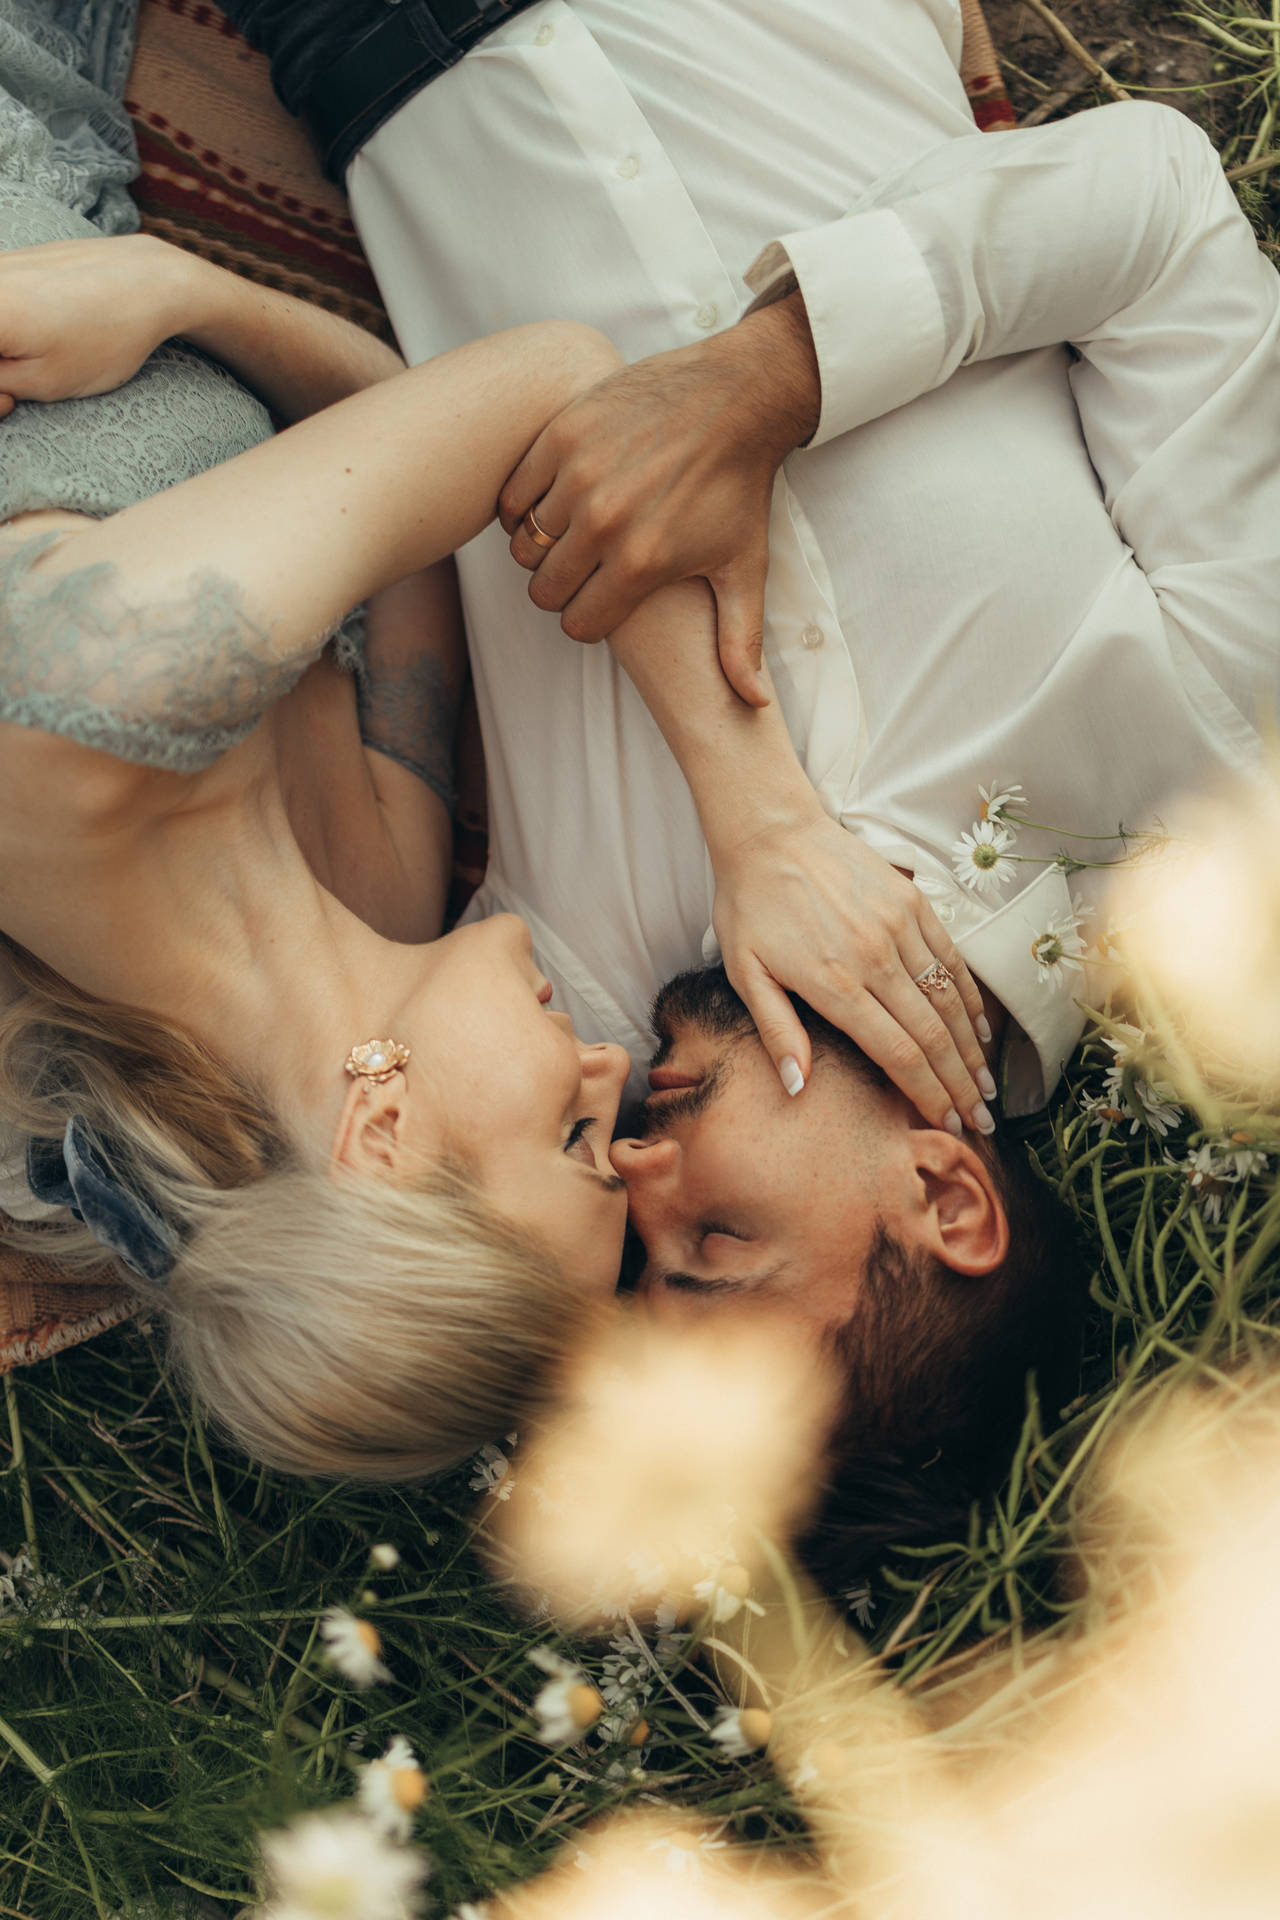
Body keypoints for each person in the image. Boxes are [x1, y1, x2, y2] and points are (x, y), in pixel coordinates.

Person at [225, 0, 1278, 1536]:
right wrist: (769, 378)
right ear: (946, 1198)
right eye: (716, 1239)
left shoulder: (578, 1004)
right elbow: (1159, 208)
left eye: (648, 1259)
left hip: (382, 52)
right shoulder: (1208, 765)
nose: (640, 1173)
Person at [0, 0, 993, 1482]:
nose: (612, 1071)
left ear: (378, 1134)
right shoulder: (387, 895)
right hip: (74, 129)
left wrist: (755, 819)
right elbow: (440, 502)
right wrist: (190, 298)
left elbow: (548, 392)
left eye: (574, 1142)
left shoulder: (89, 718)